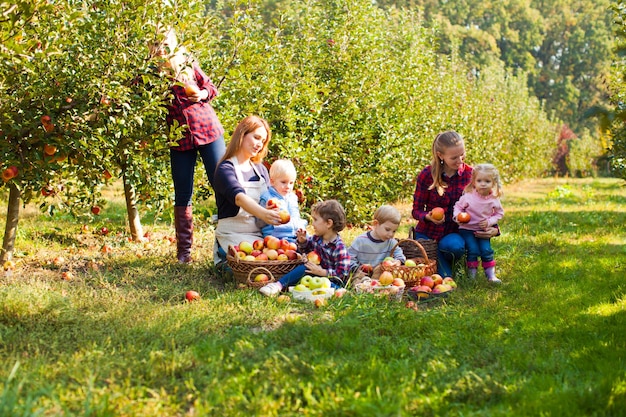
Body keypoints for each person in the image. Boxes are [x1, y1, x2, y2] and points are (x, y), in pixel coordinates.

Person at [150, 27, 226, 264]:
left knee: (223, 184)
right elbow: (132, 94)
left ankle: (227, 244)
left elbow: (211, 88)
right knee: (183, 192)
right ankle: (184, 253)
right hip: (179, 137)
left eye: (164, 43)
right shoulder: (151, 74)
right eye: (155, 44)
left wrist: (202, 94)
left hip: (208, 129)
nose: (160, 49)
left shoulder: (187, 63)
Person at [411, 131, 499, 278]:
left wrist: (494, 228)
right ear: (440, 155)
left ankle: (451, 261)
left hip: (454, 233)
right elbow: (416, 211)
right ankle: (441, 263)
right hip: (428, 233)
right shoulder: (427, 175)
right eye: (454, 157)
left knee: (455, 247)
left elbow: (485, 205)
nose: (460, 160)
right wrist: (428, 216)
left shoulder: (471, 175)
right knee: (443, 277)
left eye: (462, 155)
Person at [212, 115, 282, 265]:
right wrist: (263, 213)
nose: (259, 144)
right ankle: (222, 260)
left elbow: (269, 197)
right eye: (256, 138)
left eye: (263, 141)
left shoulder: (260, 170)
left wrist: (270, 205)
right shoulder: (225, 168)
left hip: (258, 237)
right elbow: (239, 198)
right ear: (242, 135)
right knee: (251, 265)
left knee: (276, 263)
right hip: (232, 236)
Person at [259, 200, 351, 297]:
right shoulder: (316, 239)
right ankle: (278, 286)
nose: (313, 224)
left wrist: (323, 272)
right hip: (315, 276)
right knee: (306, 268)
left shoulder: (339, 247)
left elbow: (343, 274)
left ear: (328, 223)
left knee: (326, 284)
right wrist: (303, 242)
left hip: (331, 282)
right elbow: (306, 251)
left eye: (315, 220)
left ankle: (341, 292)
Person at [453, 163, 504, 283]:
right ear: (474, 182)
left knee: (486, 250)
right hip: (467, 229)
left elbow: (499, 213)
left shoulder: (493, 199)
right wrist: (458, 217)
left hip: (483, 230)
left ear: (493, 183)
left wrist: (489, 222)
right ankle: (472, 276)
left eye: (487, 181)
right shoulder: (469, 196)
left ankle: (491, 276)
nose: (483, 184)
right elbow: (458, 207)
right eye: (479, 180)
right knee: (473, 249)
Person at [348, 205, 405, 280]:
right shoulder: (360, 240)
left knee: (381, 270)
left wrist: (398, 261)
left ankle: (374, 286)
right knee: (356, 278)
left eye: (394, 231)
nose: (391, 234)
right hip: (362, 272)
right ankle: (363, 285)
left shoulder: (391, 242)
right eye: (387, 229)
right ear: (375, 224)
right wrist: (356, 269)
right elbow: (349, 257)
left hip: (381, 275)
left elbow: (399, 255)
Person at [258, 159, 307, 242]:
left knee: (310, 242)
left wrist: (299, 228)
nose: (288, 186)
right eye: (283, 182)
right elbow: (259, 223)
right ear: (272, 182)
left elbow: (295, 215)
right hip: (276, 237)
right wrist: (266, 212)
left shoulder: (292, 197)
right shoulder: (267, 198)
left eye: (291, 183)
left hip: (293, 233)